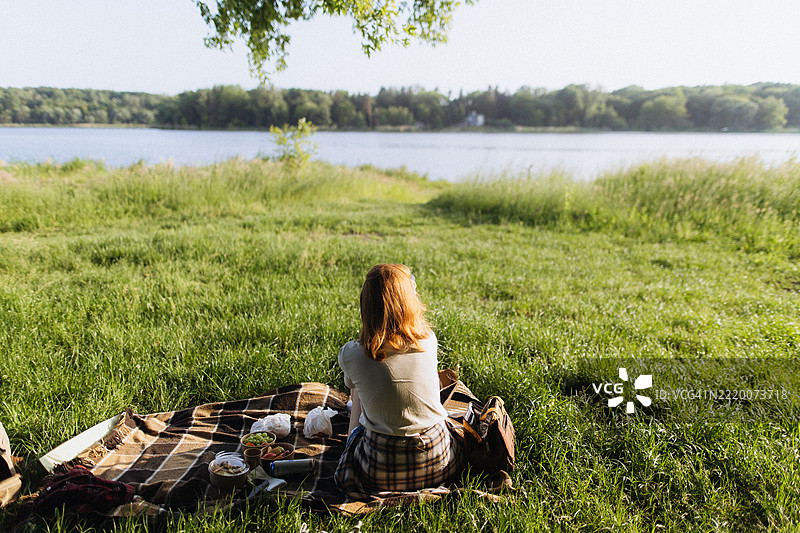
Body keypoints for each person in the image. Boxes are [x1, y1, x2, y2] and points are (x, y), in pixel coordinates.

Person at [334, 263, 463, 498]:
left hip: (378, 471)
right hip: (440, 462)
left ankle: (348, 447)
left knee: (358, 392)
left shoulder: (351, 354)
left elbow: (358, 393)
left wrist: (352, 443)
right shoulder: (428, 341)